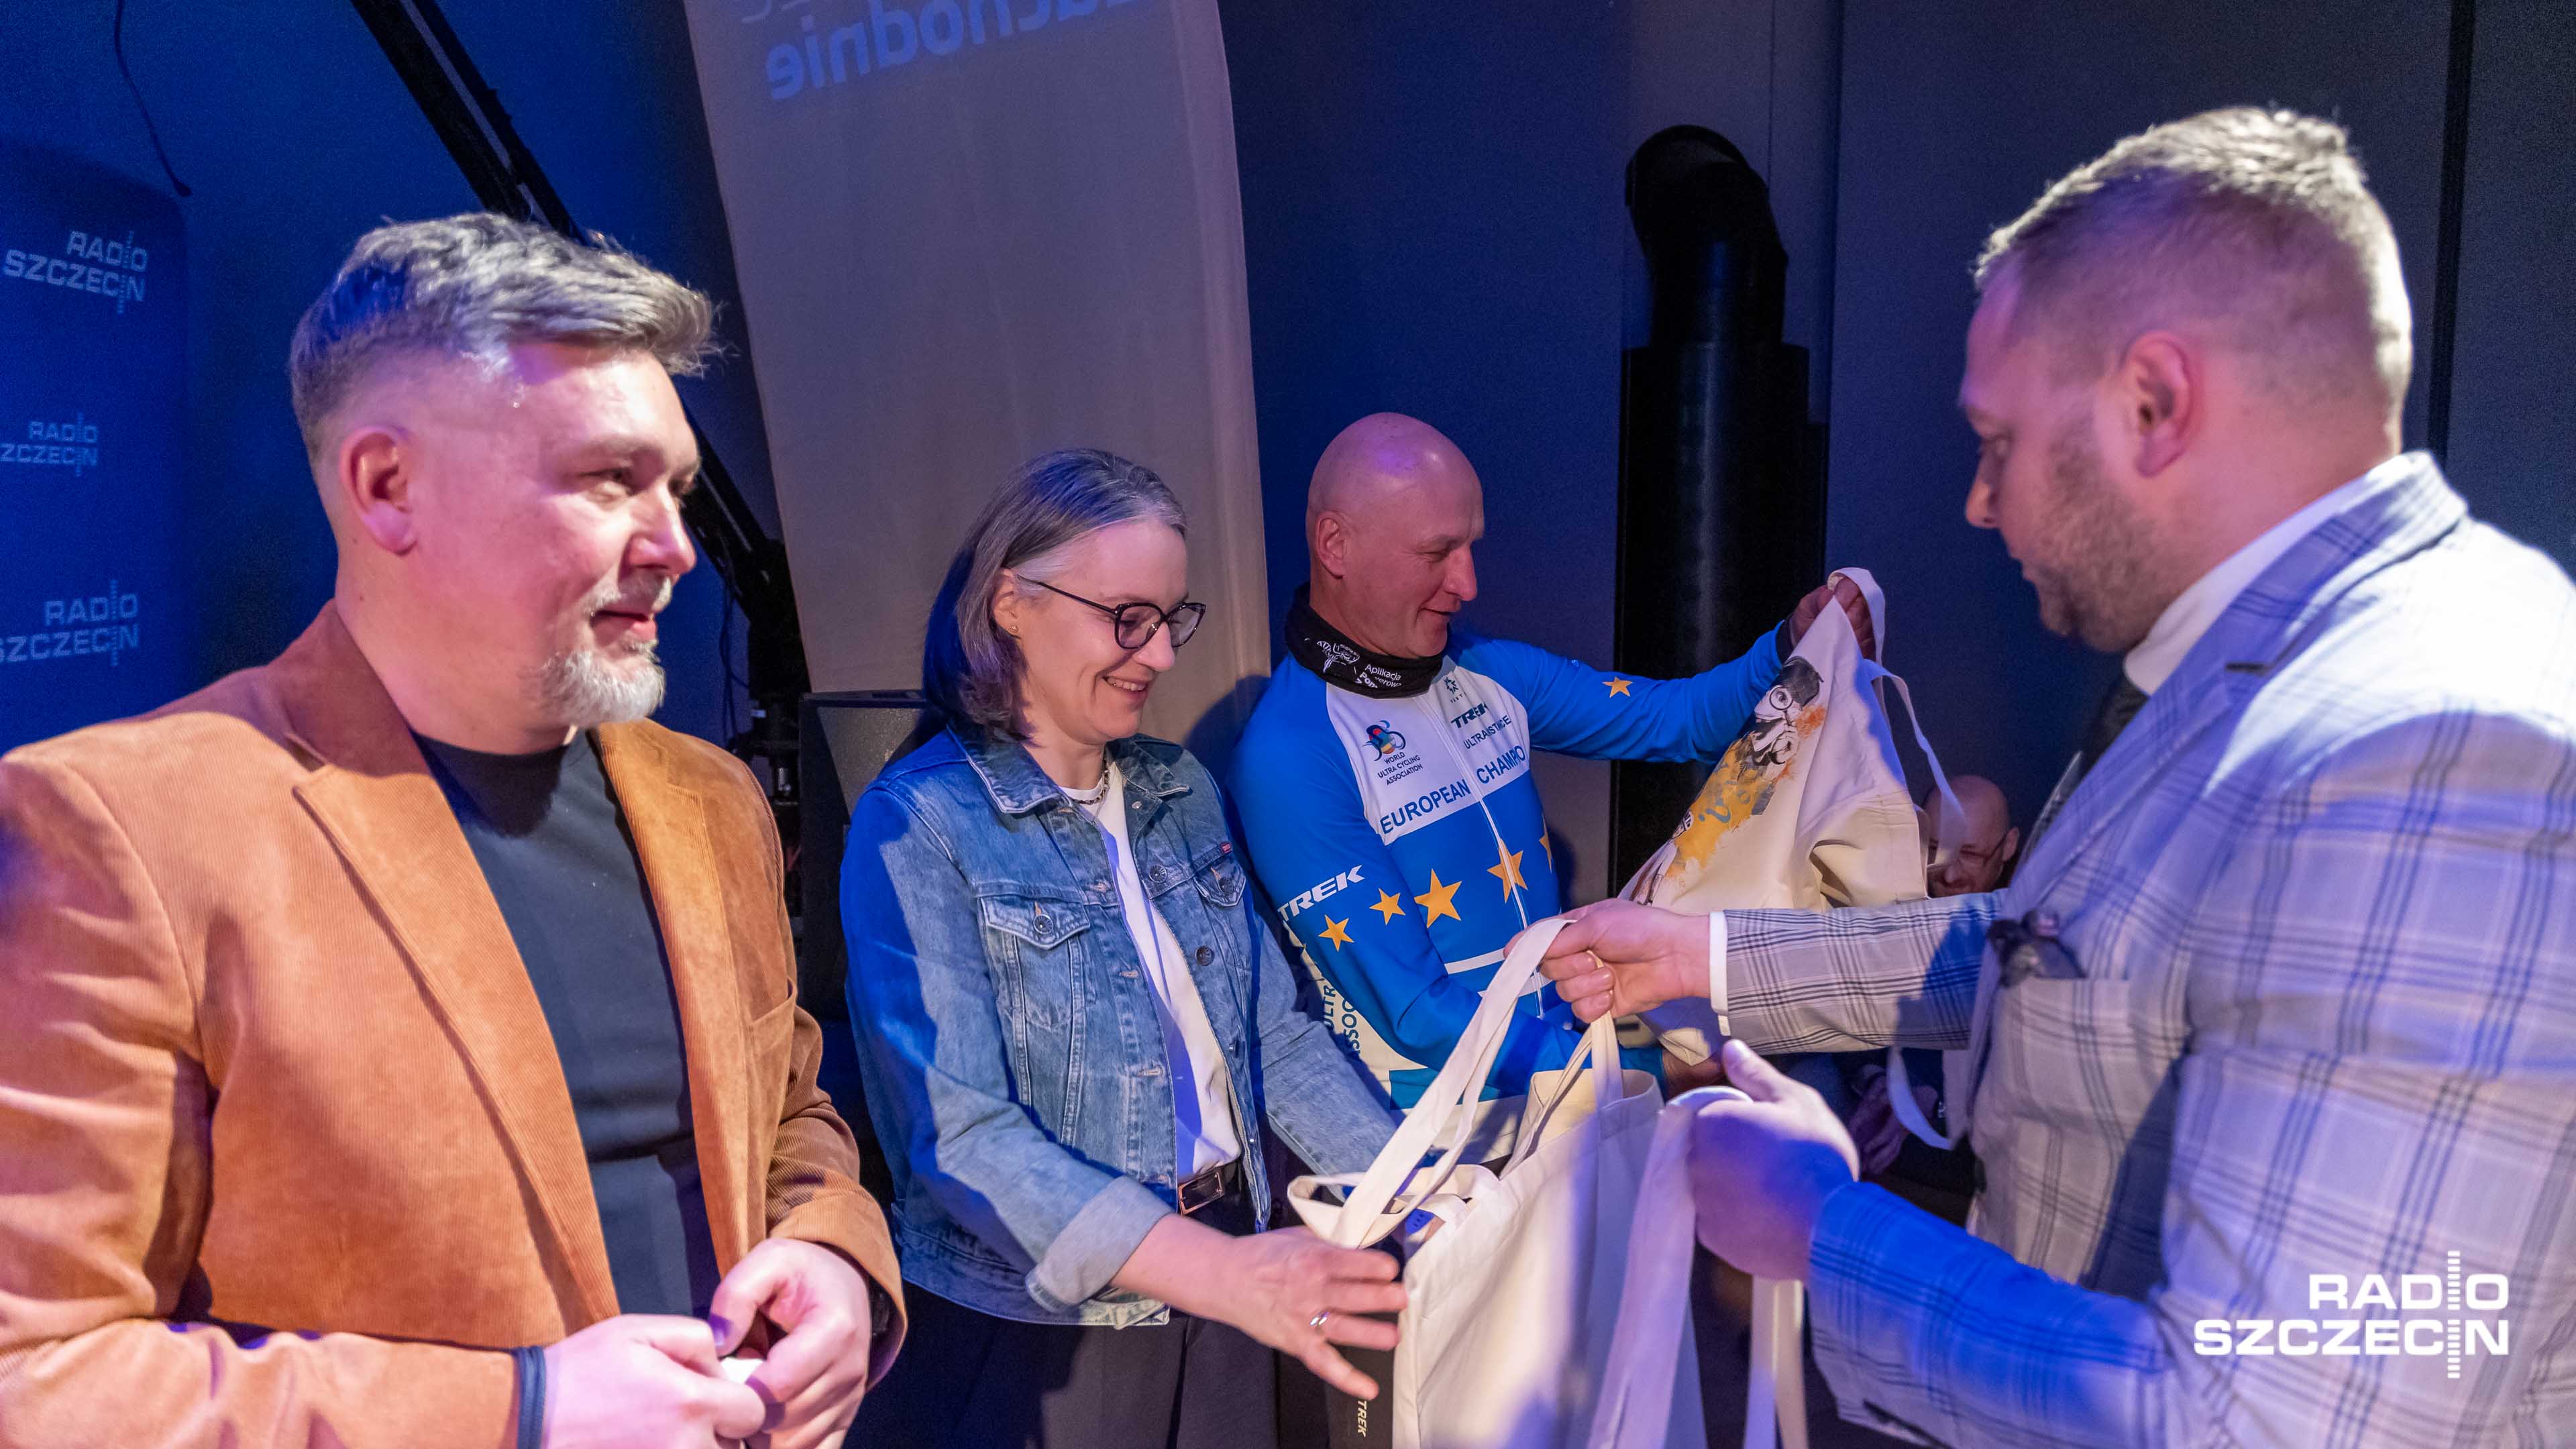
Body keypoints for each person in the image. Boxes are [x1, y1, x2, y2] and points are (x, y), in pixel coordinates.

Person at [1538, 109, 2576, 1444]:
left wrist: (1824, 1229)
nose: (1980, 503)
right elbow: (2066, 955)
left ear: (2155, 404)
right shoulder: (2255, 670)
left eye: (1999, 442)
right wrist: (1707, 955)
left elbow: (2270, 1422)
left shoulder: (2432, 753)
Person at [0, 215, 900, 1448]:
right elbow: (35, 1375)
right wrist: (518, 1413)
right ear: (388, 488)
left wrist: (838, 1259)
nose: (678, 548)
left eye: (678, 489)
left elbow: (790, 1113)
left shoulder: (711, 801)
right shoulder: (124, 831)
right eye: (609, 480)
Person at [841, 449, 1407, 1448]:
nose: (1159, 655)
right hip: (1048, 1333)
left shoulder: (1178, 788)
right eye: (1127, 618)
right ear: (1012, 605)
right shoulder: (920, 823)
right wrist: (1213, 1272)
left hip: (1226, 1277)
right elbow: (964, 1139)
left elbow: (1274, 1038)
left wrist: (1414, 1196)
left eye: (1171, 620)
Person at [1228, 412, 1869, 1141]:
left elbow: (1678, 719)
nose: (1467, 583)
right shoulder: (1290, 752)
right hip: (1437, 1139)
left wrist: (1793, 643)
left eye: (1471, 547)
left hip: (1564, 1092)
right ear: (1335, 545)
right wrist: (1652, 1076)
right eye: (1437, 553)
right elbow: (1418, 1014)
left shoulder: (1484, 670)